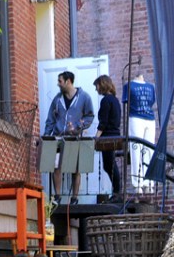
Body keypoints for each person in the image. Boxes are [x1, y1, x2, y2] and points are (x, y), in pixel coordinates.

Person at [44, 71, 95, 205]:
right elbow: (50, 119)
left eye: (60, 81)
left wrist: (79, 126)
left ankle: (75, 198)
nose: (58, 84)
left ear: (68, 81)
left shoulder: (84, 97)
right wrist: (46, 136)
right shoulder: (57, 99)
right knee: (56, 166)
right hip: (59, 137)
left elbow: (90, 116)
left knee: (75, 168)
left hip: (74, 138)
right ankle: (57, 196)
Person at [122, 74, 156, 192]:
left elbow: (151, 102)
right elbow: (125, 102)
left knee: (149, 150)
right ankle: (137, 183)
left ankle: (149, 182)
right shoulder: (128, 86)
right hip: (135, 118)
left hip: (150, 119)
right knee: (136, 148)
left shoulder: (151, 86)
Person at [92, 75, 123, 203]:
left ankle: (117, 192)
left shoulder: (106, 101)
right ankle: (117, 192)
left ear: (102, 84)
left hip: (108, 137)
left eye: (97, 86)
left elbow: (103, 122)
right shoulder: (115, 100)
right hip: (115, 135)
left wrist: (96, 137)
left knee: (109, 165)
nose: (96, 89)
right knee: (109, 165)